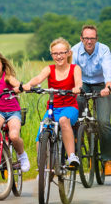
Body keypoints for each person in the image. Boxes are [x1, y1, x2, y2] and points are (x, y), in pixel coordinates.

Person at [22, 37, 82, 167]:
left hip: (69, 107)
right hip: (52, 109)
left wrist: (77, 88)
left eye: (62, 53)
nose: (59, 56)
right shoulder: (49, 69)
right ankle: (44, 168)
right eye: (55, 53)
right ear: (51, 55)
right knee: (41, 137)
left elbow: (78, 82)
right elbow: (38, 78)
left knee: (63, 121)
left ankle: (71, 156)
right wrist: (28, 84)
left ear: (68, 53)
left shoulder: (74, 68)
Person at [72, 24, 111, 176]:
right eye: (86, 38)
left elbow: (108, 69)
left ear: (97, 39)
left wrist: (108, 87)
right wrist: (75, 87)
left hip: (101, 84)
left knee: (104, 121)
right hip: (82, 83)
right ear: (81, 38)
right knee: (76, 103)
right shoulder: (75, 50)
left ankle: (107, 159)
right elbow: (72, 70)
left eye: (92, 38)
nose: (89, 41)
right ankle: (78, 140)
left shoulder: (103, 49)